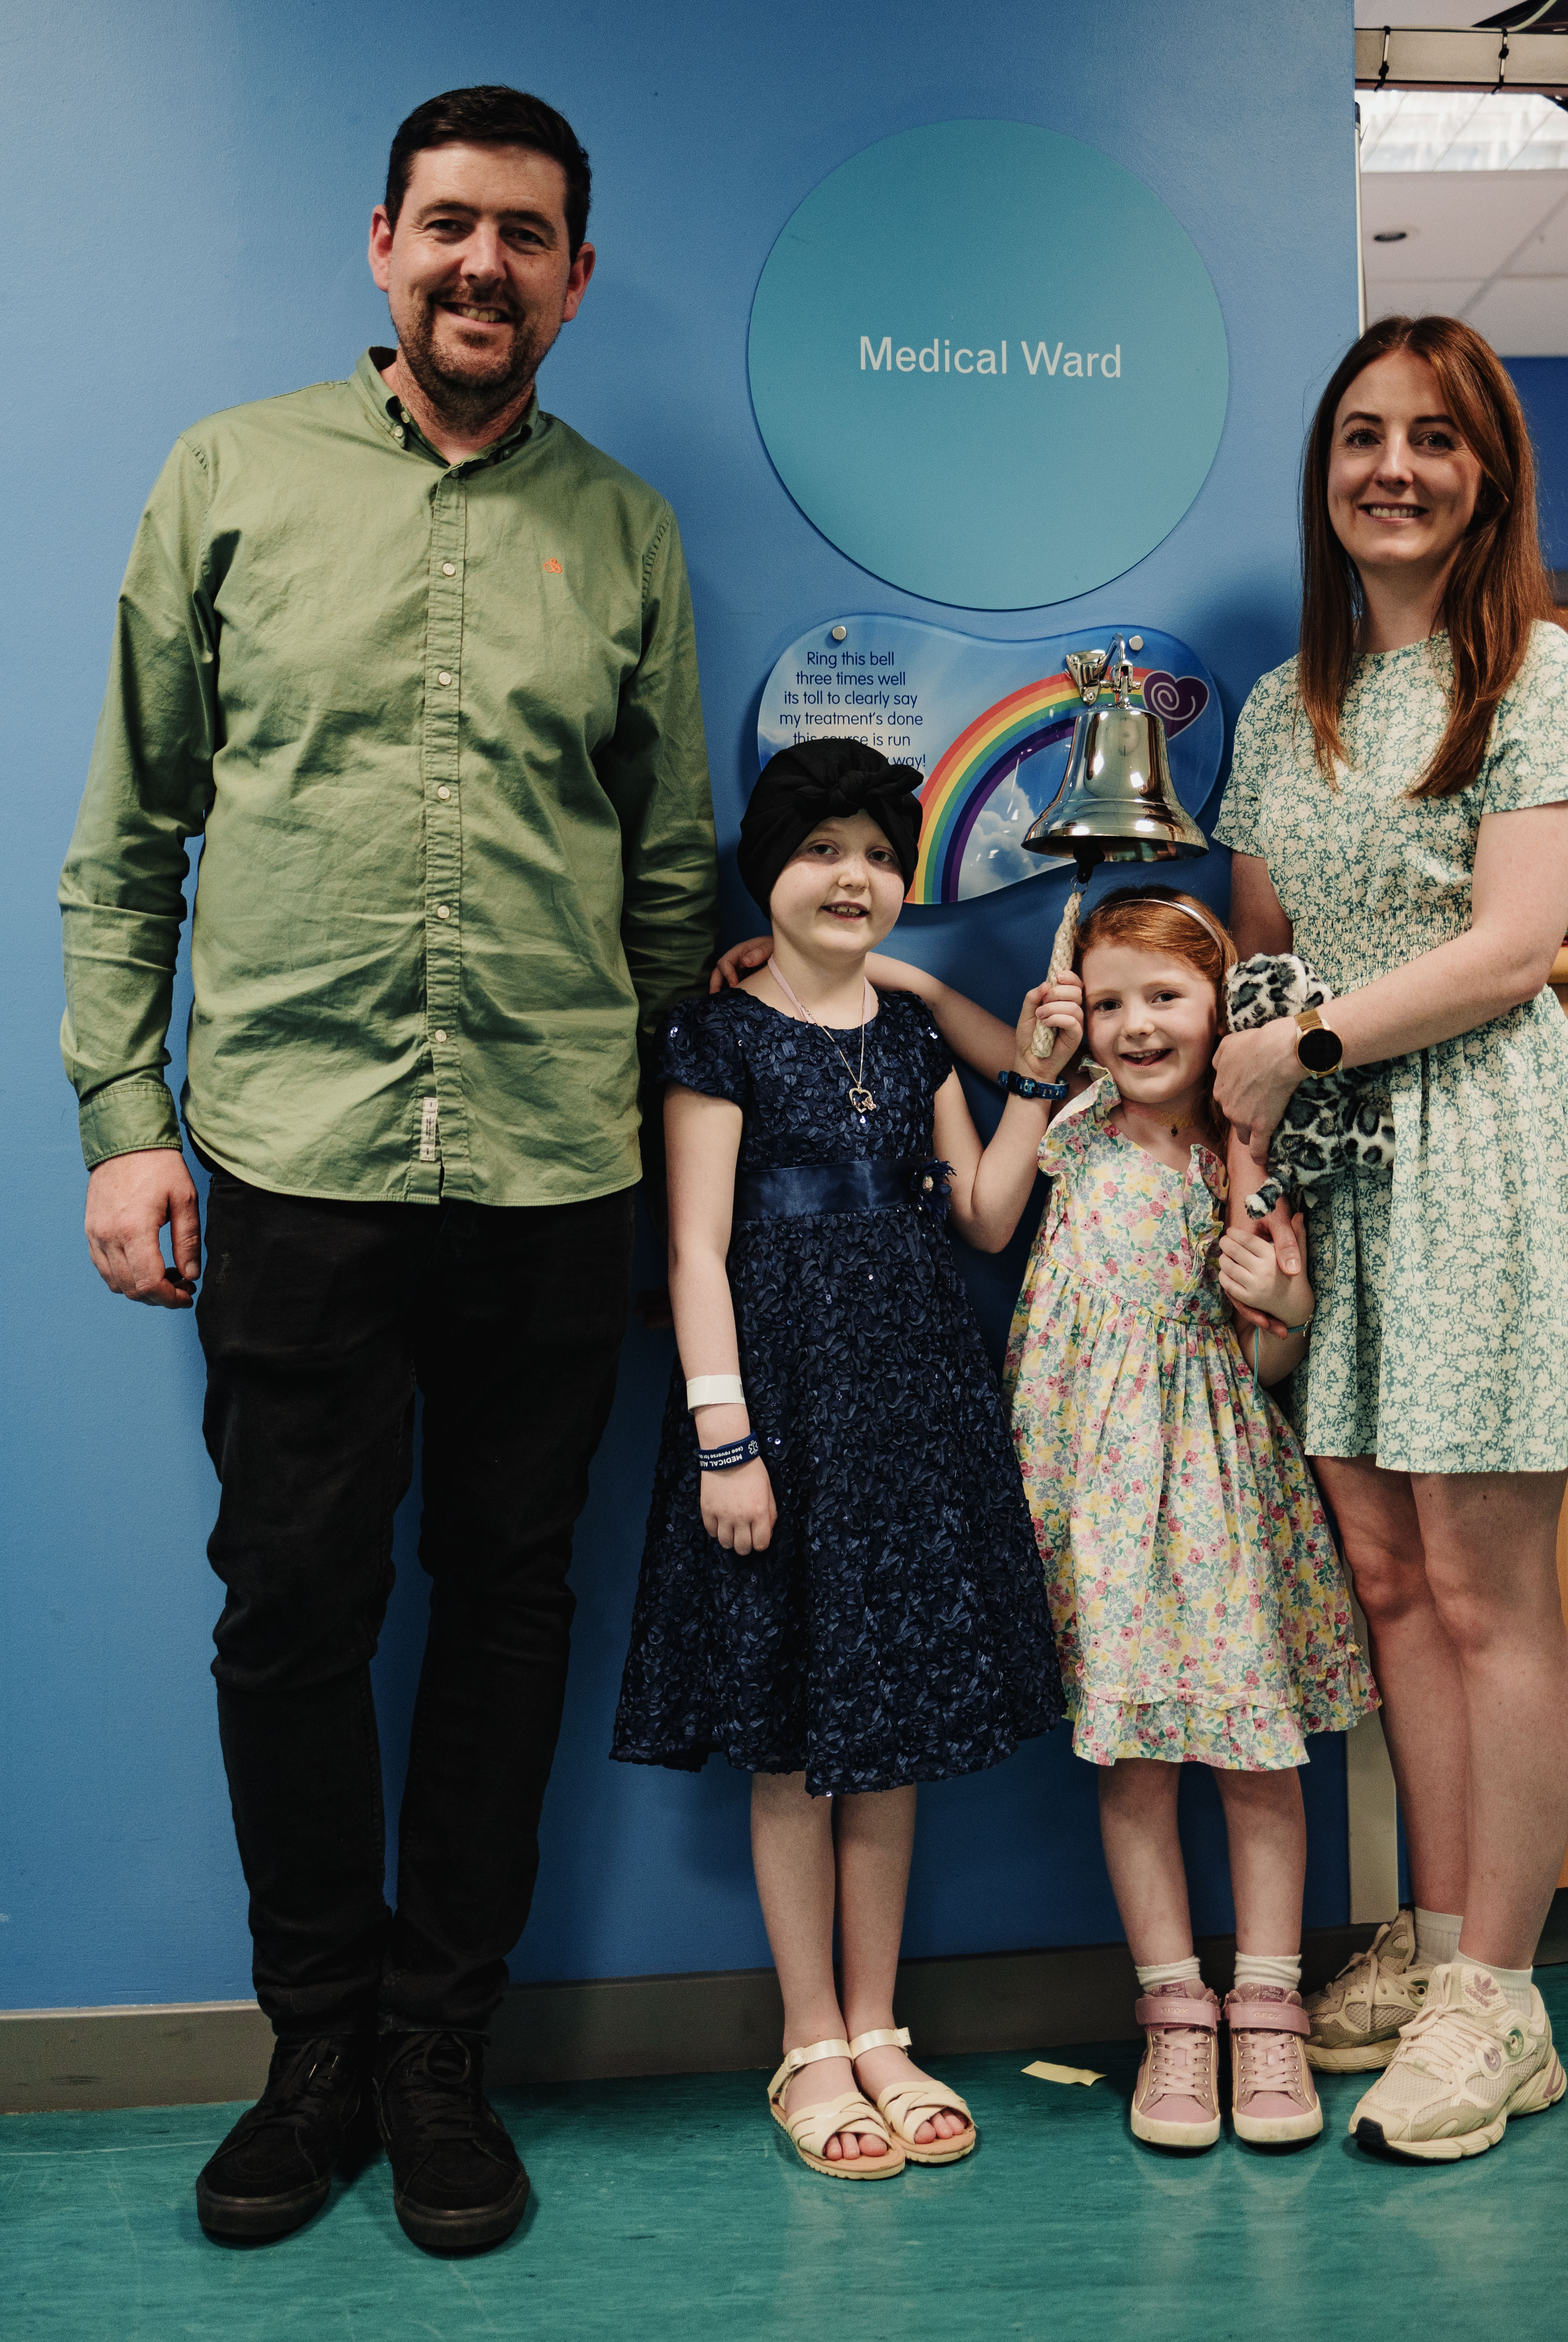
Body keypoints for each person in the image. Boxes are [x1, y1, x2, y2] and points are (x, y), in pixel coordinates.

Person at [59, 86, 717, 2253]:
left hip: (550, 1169)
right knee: (293, 1617)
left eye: (525, 237)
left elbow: (673, 875)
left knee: (513, 1614)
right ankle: (314, 2047)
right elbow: (129, 838)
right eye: (449, 227)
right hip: (297, 1157)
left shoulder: (621, 533)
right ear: (380, 245)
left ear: (574, 276)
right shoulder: (229, 479)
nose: (482, 269)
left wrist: (663, 1164)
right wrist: (125, 1125)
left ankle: (447, 2053)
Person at [1212, 315, 1568, 2163]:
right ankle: (1434, 1932)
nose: (1394, 467)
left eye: (1435, 440)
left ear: (1488, 475)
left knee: (1489, 1596)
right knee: (1392, 1589)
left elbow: (1513, 947)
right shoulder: (1272, 709)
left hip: (1476, 1152)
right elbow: (1256, 948)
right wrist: (1261, 1174)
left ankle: (1507, 2000)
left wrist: (1299, 1047)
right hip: (1336, 1180)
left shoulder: (1535, 670)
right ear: (1327, 475)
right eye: (1363, 438)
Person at [611, 739, 1076, 2179]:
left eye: (877, 853)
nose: (852, 876)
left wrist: (1030, 1073)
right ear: (771, 870)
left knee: (892, 1746)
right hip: (780, 1425)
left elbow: (992, 1218)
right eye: (822, 850)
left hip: (919, 1416)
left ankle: (882, 2028)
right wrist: (723, 1441)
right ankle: (810, 2043)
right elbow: (692, 1249)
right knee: (795, 1744)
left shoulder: (917, 1038)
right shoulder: (719, 1037)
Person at [1002, 885, 1377, 2149]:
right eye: (1109, 1001)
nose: (1134, 1024)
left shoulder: (1246, 1156)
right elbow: (983, 1037)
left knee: (1259, 1760)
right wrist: (896, 985)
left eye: (1163, 996)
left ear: (1218, 1006)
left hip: (1218, 1490)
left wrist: (1284, 1301)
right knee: (1134, 1763)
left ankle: (1266, 2014)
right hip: (1096, 1498)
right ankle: (1174, 2017)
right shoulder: (1075, 1129)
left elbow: (1271, 1359)